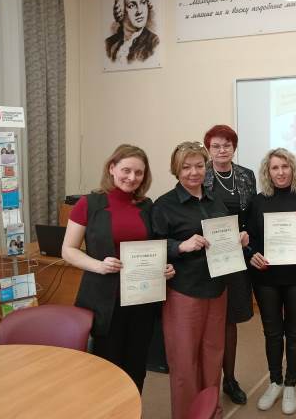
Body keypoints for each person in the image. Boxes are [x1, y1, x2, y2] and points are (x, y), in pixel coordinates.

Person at [62, 144, 175, 393]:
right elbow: (68, 250)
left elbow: (154, 247)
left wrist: (163, 267)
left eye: (139, 172)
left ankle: (133, 408)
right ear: (112, 168)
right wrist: (99, 265)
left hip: (141, 299)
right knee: (105, 367)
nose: (132, 177)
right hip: (104, 300)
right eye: (126, 170)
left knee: (136, 365)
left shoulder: (147, 206)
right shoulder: (88, 204)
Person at [152, 141, 249, 419]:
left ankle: (211, 412)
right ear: (176, 170)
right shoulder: (164, 205)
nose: (193, 172)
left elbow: (224, 236)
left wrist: (239, 240)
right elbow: (153, 246)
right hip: (184, 292)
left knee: (212, 355)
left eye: (198, 166)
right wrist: (180, 246)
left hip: (217, 288)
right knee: (184, 361)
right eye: (186, 167)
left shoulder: (214, 200)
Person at [247, 148, 296, 415]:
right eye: (275, 167)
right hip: (266, 276)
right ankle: (275, 381)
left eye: (285, 166)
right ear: (268, 172)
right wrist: (251, 255)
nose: (280, 172)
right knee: (272, 332)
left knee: (295, 332)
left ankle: (290, 384)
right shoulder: (258, 201)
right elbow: (250, 239)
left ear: (293, 169)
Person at [203, 125, 256, 405]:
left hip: (236, 259)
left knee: (230, 322)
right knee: (207, 321)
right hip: (206, 259)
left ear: (234, 147)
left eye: (227, 145)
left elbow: (251, 214)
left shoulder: (246, 175)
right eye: (216, 146)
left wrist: (248, 236)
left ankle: (230, 380)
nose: (222, 150)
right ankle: (206, 381)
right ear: (208, 149)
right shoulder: (199, 174)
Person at [105, 0, 159, 64]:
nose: (139, 11)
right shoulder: (109, 43)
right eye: (132, 5)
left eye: (143, 2)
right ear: (121, 10)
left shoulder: (154, 42)